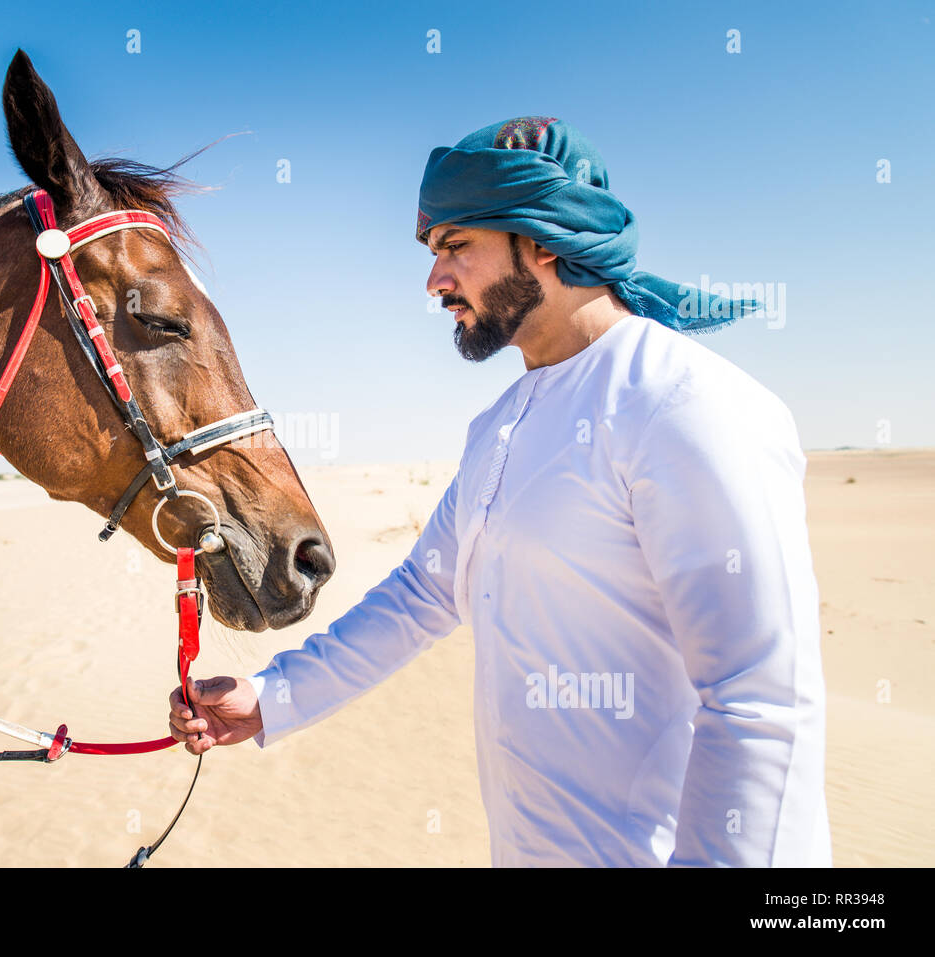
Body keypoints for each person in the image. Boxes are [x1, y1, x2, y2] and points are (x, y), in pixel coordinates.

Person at [168, 116, 831, 867]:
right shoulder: (500, 425)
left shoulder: (682, 404)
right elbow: (424, 593)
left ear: (543, 238)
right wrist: (270, 698)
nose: (434, 280)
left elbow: (760, 700)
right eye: (431, 252)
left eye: (455, 246)